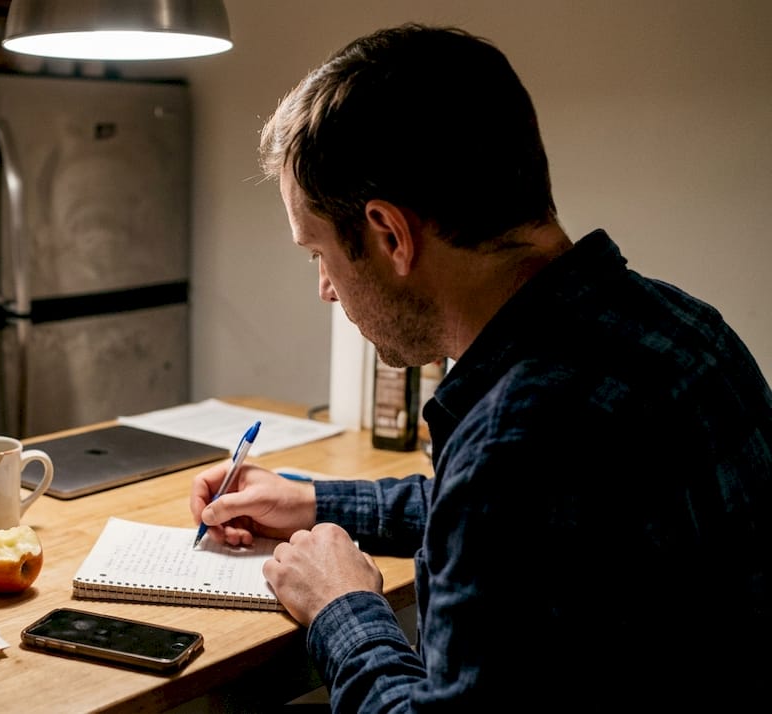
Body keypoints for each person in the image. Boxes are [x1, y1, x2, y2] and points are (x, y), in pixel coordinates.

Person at [190, 23, 771, 711]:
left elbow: (508, 497)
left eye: (318, 254)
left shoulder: (516, 444)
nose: (324, 287)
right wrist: (314, 502)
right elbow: (540, 521)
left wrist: (341, 606)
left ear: (390, 235)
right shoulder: (685, 328)